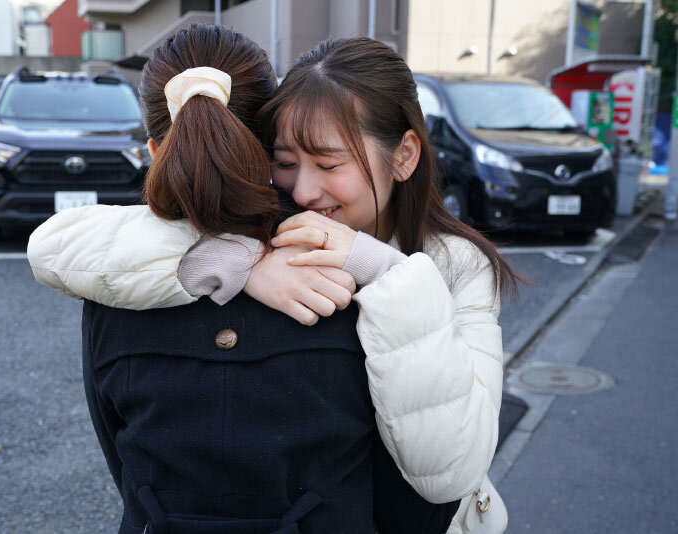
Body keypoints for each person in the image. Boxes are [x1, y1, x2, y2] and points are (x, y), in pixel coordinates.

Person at [29, 33, 519, 531]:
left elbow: (451, 472)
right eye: (284, 164)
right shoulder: (271, 243)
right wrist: (239, 258)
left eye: (329, 164)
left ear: (404, 155)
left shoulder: (458, 265)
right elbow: (57, 244)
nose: (302, 192)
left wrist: (382, 269)